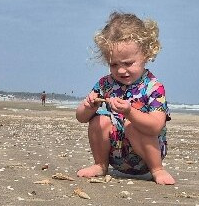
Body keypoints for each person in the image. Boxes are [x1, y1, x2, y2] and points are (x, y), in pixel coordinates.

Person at [75, 12, 175, 185]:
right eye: (114, 65)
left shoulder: (153, 87)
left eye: (128, 63)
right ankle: (100, 164)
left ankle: (158, 170)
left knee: (133, 125)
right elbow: (81, 118)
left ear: (146, 54)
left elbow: (155, 126)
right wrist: (88, 107)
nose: (121, 71)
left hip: (147, 156)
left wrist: (130, 112)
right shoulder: (105, 84)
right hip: (116, 153)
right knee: (99, 120)